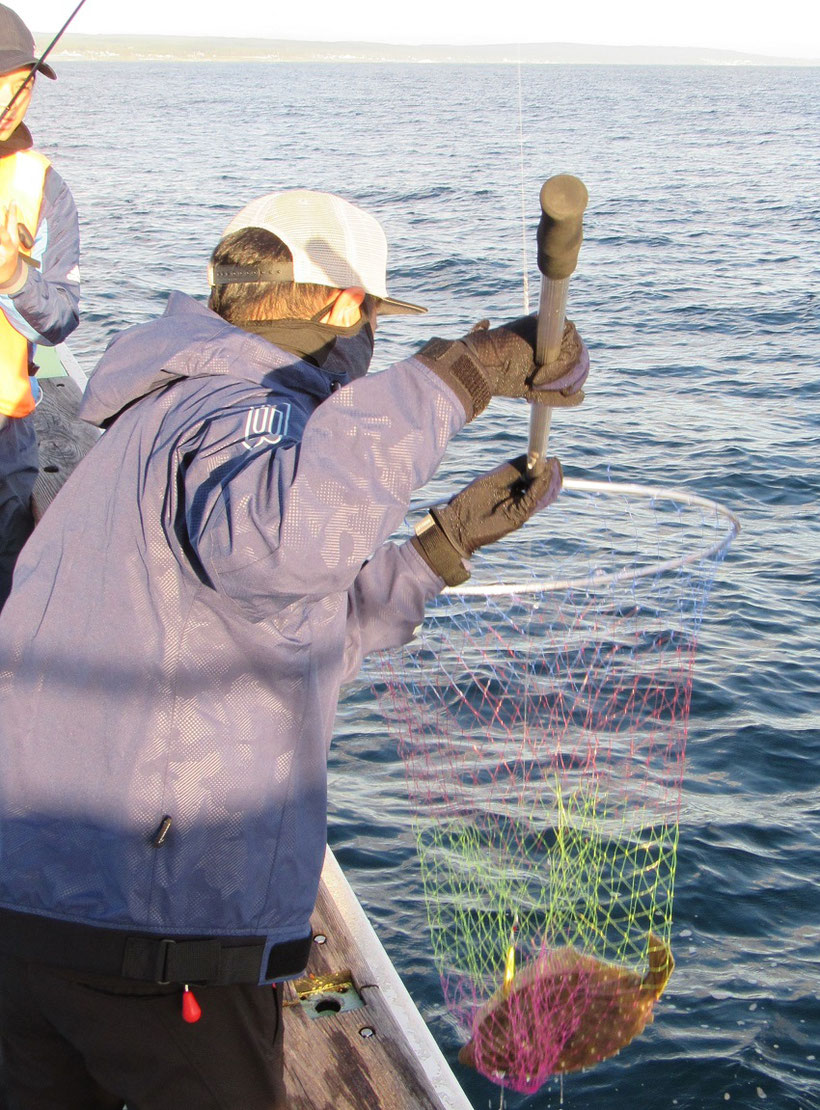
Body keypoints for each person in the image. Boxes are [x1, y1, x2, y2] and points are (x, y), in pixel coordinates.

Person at [0, 187, 588, 1109]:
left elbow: (279, 636)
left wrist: (440, 550)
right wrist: (460, 374)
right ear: (347, 310)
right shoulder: (244, 412)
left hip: (36, 915)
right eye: (372, 327)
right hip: (154, 937)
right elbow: (279, 545)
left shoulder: (158, 422)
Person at [0, 2, 80, 610]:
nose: (16, 95)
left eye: (25, 80)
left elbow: (59, 321)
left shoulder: (44, 187)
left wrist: (12, 275)